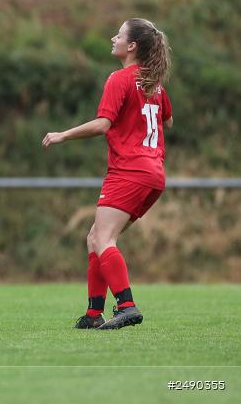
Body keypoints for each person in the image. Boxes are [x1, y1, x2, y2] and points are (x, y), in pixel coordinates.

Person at [42, 18, 172, 330]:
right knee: (95, 238)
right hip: (153, 173)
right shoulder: (152, 83)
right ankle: (93, 314)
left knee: (103, 237)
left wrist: (63, 134)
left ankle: (126, 305)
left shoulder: (120, 79)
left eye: (119, 34)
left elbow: (103, 125)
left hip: (130, 170)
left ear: (132, 46)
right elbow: (166, 120)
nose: (113, 37)